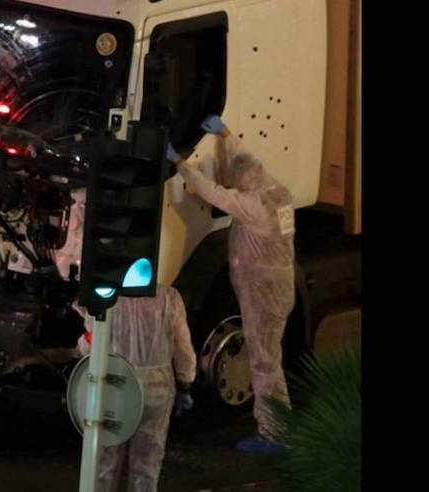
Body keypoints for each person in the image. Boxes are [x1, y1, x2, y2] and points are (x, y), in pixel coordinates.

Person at [167, 115, 296, 454]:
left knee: (265, 364)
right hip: (275, 291)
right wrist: (226, 135)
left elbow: (213, 193)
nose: (235, 185)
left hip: (264, 295)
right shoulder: (276, 191)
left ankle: (275, 435)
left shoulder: (255, 204)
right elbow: (245, 160)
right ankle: (279, 428)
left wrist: (179, 164)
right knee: (269, 359)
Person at [76, 284, 197, 492]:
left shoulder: (104, 295)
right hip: (156, 389)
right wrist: (186, 381)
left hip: (113, 386)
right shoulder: (169, 297)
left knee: (104, 465)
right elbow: (183, 347)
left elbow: (90, 346)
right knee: (147, 463)